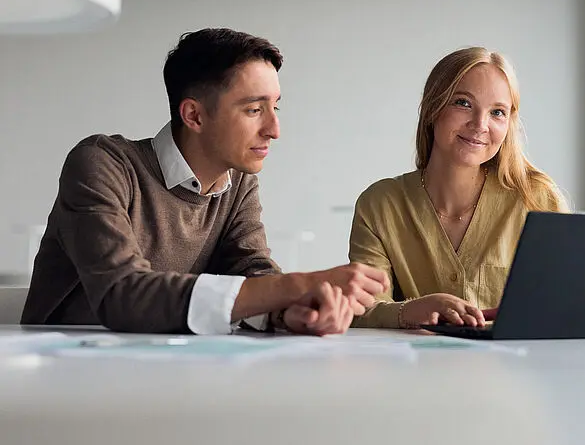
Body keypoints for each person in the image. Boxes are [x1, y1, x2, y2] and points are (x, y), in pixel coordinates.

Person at [21, 28, 388, 336]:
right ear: (194, 115)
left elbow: (251, 271)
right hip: (65, 374)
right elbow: (123, 294)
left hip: (174, 367)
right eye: (253, 109)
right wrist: (295, 286)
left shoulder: (239, 182)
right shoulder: (102, 163)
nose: (274, 130)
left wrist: (288, 312)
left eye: (275, 107)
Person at [348, 46, 568, 329]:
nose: (480, 124)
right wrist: (411, 311)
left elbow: (564, 308)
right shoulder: (380, 204)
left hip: (514, 370)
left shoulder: (538, 200)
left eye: (497, 112)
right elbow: (362, 310)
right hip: (415, 372)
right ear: (432, 108)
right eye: (463, 103)